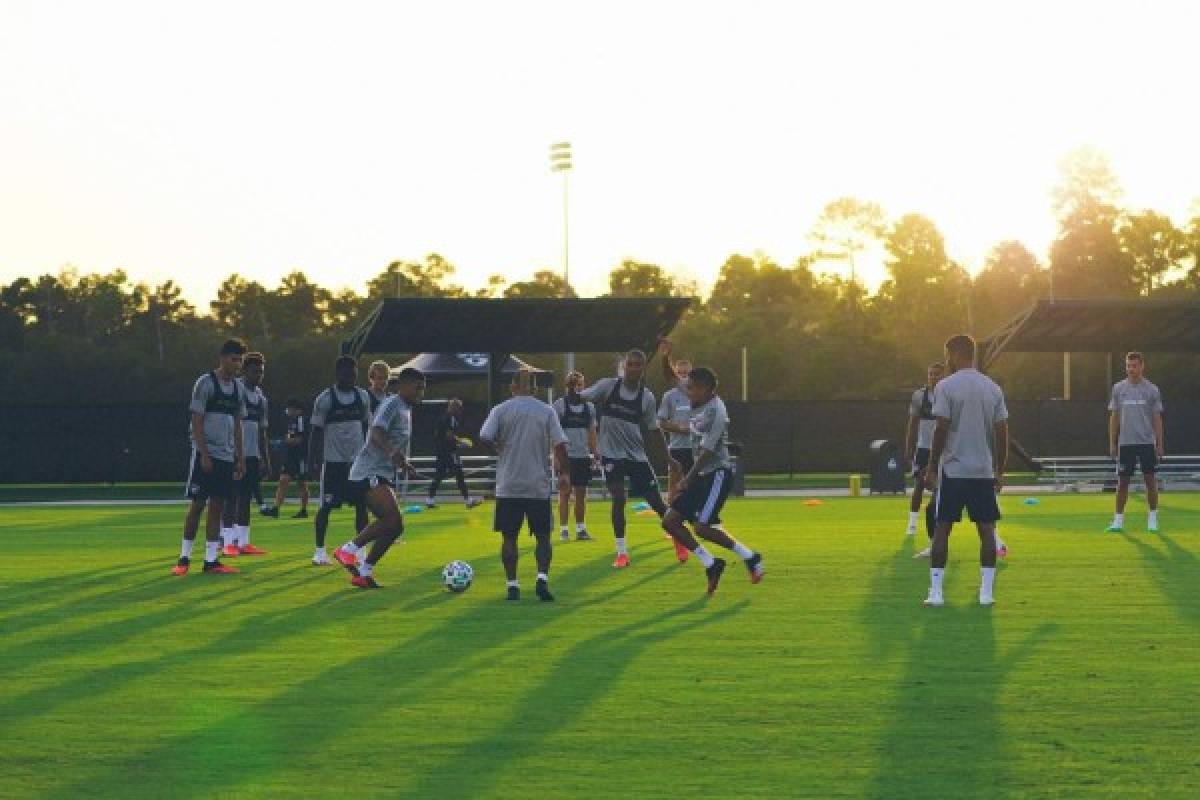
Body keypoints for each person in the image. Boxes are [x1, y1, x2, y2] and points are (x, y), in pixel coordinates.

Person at [578, 349, 690, 567]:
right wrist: (573, 396)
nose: (634, 369)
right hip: (611, 454)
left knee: (657, 503)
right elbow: (583, 396)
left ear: (643, 369)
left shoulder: (646, 397)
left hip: (636, 456)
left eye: (639, 365)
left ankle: (678, 538)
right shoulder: (608, 386)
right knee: (618, 498)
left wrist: (668, 459)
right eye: (631, 364)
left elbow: (654, 430)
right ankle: (622, 553)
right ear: (624, 366)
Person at [920, 334, 1009, 607]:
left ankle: (936, 593)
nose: (946, 360)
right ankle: (986, 593)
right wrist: (999, 470)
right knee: (987, 531)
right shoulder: (992, 388)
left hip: (954, 471)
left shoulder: (946, 387)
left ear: (955, 354)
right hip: (982, 471)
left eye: (947, 355)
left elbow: (941, 427)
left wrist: (932, 466)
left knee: (942, 529)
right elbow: (1002, 433)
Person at [661, 367, 764, 595]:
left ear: (705, 389)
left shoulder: (717, 411)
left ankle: (750, 556)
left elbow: (707, 451)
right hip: (701, 475)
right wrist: (666, 358)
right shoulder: (698, 398)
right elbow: (673, 379)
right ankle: (711, 564)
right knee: (670, 521)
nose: (687, 393)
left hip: (717, 474)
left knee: (702, 528)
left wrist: (686, 479)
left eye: (692, 388)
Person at [479, 368, 570, 601]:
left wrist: (499, 447)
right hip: (536, 485)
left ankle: (512, 585)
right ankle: (541, 579)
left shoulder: (500, 410)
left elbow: (485, 436)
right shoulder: (546, 411)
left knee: (509, 537)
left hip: (509, 485)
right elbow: (560, 444)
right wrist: (564, 473)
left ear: (512, 387)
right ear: (536, 388)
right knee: (542, 537)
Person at [333, 368, 426, 589]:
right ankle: (347, 550)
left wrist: (404, 464)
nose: (421, 392)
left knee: (395, 527)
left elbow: (393, 443)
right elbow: (376, 433)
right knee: (391, 519)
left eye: (423, 388)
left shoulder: (406, 408)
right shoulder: (392, 403)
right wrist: (393, 453)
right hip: (368, 471)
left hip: (382, 473)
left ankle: (364, 572)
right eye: (417, 387)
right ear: (403, 386)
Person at [172, 338, 247, 576]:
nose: (237, 365)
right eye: (234, 359)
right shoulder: (205, 383)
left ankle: (211, 560)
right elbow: (197, 421)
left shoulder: (238, 388)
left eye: (240, 360)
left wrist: (240, 456)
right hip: (206, 455)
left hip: (226, 456)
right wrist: (203, 453)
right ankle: (184, 558)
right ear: (222, 358)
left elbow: (237, 424)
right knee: (197, 505)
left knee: (217, 505)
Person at [309, 356, 372, 566]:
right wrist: (313, 460)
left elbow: (368, 428)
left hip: (357, 464)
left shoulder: (363, 397)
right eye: (347, 374)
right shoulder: (325, 399)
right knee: (326, 507)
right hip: (333, 464)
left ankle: (361, 551)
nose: (352, 378)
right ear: (338, 374)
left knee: (362, 507)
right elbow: (315, 432)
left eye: (354, 374)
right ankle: (319, 551)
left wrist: (369, 455)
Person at [1106, 351, 1165, 533]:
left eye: (1134, 365)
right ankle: (1118, 520)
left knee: (1150, 481)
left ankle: (1153, 518)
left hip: (1147, 442)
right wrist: (1113, 442)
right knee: (1122, 482)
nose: (1131, 369)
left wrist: (1159, 444)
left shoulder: (1152, 390)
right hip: (1126, 443)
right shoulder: (1118, 389)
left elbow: (1157, 418)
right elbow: (1114, 417)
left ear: (1142, 366)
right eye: (1128, 366)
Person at [220, 351, 270, 557]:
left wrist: (265, 458)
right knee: (231, 497)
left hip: (252, 455)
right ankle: (227, 542)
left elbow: (262, 430)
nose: (258, 375)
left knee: (246, 498)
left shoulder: (260, 398)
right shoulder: (235, 389)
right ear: (244, 371)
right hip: (233, 453)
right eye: (254, 371)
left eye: (261, 372)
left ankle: (244, 541)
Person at [552, 371, 598, 542]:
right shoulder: (559, 405)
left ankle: (580, 529)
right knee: (564, 492)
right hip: (565, 457)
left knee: (581, 494)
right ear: (567, 386)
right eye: (574, 385)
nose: (577, 388)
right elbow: (553, 433)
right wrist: (556, 458)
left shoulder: (589, 407)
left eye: (580, 384)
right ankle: (564, 530)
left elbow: (592, 432)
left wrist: (594, 453)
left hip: (582, 456)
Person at [904, 362, 944, 536]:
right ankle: (912, 524)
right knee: (919, 484)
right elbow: (912, 425)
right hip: (924, 448)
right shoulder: (919, 396)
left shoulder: (949, 396)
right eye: (931, 374)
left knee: (940, 488)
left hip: (943, 450)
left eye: (937, 374)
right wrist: (909, 450)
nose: (933, 377)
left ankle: (937, 525)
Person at [427, 398, 484, 509]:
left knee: (439, 475)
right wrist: (461, 442)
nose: (459, 410)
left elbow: (440, 436)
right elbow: (449, 436)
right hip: (449, 452)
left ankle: (429, 500)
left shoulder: (442, 418)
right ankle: (468, 501)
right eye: (458, 407)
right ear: (452, 407)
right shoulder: (450, 418)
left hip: (441, 451)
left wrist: (454, 443)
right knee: (459, 475)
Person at [267, 398, 310, 518]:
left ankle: (303, 510)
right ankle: (276, 508)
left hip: (300, 456)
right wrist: (288, 439)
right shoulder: (292, 421)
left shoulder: (301, 420)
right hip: (290, 455)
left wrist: (287, 440)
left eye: (290, 408)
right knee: (283, 480)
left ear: (296, 410)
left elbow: (301, 439)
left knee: (302, 483)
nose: (288, 411)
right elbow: (290, 435)